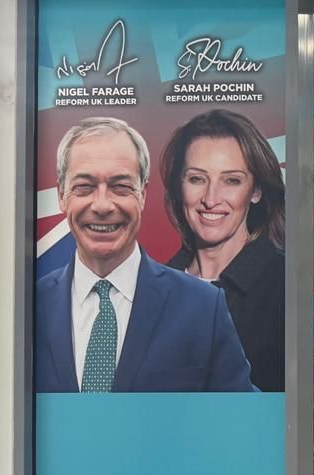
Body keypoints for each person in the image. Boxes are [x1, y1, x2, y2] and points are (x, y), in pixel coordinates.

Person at [35, 116, 255, 393]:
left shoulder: (203, 309)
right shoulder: (29, 307)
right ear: (61, 196)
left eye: (121, 186)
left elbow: (237, 423)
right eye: (84, 187)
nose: (102, 204)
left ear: (142, 194)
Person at [160, 109, 287, 393]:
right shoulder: (151, 285)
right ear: (179, 188)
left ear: (255, 191)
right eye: (196, 179)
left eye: (231, 180)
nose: (211, 199)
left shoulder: (283, 285)